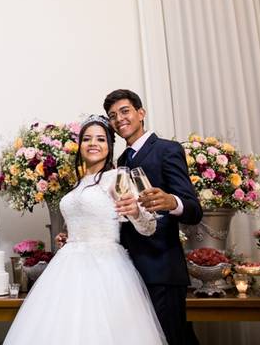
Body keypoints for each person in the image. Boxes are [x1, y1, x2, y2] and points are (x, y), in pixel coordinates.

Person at [3, 115, 166, 345]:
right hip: (68, 264)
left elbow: (149, 227)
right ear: (79, 145)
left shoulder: (117, 178)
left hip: (105, 266)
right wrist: (69, 235)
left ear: (109, 146)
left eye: (100, 139)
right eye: (87, 138)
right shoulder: (79, 183)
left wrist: (137, 213)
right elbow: (87, 217)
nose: (93, 143)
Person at [104, 89, 203, 345]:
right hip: (131, 269)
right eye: (112, 115)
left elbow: (194, 209)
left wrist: (173, 202)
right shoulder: (121, 160)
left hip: (162, 268)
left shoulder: (166, 150)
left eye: (125, 111)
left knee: (172, 337)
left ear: (141, 113)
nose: (119, 119)